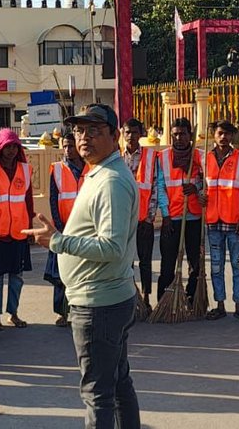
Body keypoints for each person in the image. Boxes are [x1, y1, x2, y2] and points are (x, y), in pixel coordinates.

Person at [25, 103, 140, 429]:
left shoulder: (111, 182)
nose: (84, 137)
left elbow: (112, 247)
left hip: (99, 303)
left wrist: (59, 242)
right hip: (106, 296)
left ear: (114, 136)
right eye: (78, 130)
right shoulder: (101, 171)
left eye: (94, 130)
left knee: (98, 393)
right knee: (117, 384)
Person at [0, 129, 34, 331]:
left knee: (17, 276)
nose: (11, 151)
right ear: (0, 148)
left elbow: (27, 202)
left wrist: (29, 228)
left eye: (14, 146)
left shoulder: (25, 169)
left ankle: (14, 313)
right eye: (7, 147)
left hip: (19, 231)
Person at [204, 120, 239, 321]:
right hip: (213, 222)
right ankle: (220, 304)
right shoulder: (205, 159)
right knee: (216, 266)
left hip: (234, 222)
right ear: (214, 135)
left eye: (227, 134)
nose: (224, 137)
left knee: (238, 265)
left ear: (233, 136)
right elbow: (200, 186)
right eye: (220, 133)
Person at [155, 117, 203, 304]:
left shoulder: (199, 156)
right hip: (172, 217)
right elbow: (160, 187)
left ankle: (192, 300)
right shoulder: (163, 157)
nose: (179, 138)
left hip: (194, 217)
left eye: (182, 134)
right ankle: (163, 301)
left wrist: (196, 188)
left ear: (190, 135)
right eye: (175, 134)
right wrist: (165, 216)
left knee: (195, 263)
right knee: (168, 264)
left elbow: (209, 183)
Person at [45, 133, 87, 326]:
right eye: (65, 146)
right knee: (61, 273)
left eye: (71, 146)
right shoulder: (58, 169)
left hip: (85, 227)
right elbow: (53, 200)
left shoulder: (89, 168)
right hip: (64, 227)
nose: (68, 150)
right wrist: (59, 227)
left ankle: (78, 310)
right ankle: (62, 312)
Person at [121, 118, 158, 311]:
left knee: (145, 261)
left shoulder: (151, 157)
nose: (131, 136)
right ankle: (129, 299)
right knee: (126, 262)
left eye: (135, 132)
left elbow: (154, 189)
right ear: (122, 134)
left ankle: (146, 298)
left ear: (141, 134)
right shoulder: (118, 158)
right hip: (124, 221)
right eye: (128, 132)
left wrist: (150, 217)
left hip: (144, 219)